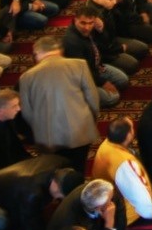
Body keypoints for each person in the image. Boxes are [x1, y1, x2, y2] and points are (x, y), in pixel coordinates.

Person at [18, 34, 102, 165]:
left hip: (48, 137)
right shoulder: (80, 65)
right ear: (59, 50)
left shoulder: (26, 77)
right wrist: (90, 120)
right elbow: (93, 99)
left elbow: (27, 113)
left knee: (53, 175)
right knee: (78, 170)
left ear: (37, 52)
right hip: (80, 130)